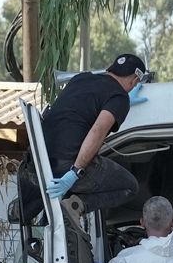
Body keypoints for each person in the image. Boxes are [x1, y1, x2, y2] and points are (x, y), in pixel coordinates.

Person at [41, 53, 150, 215]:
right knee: (130, 187)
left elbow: (68, 114)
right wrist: (76, 171)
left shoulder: (80, 79)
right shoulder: (119, 97)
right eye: (135, 84)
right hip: (68, 164)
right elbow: (97, 131)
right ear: (134, 80)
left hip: (41, 158)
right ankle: (75, 206)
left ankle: (44, 209)